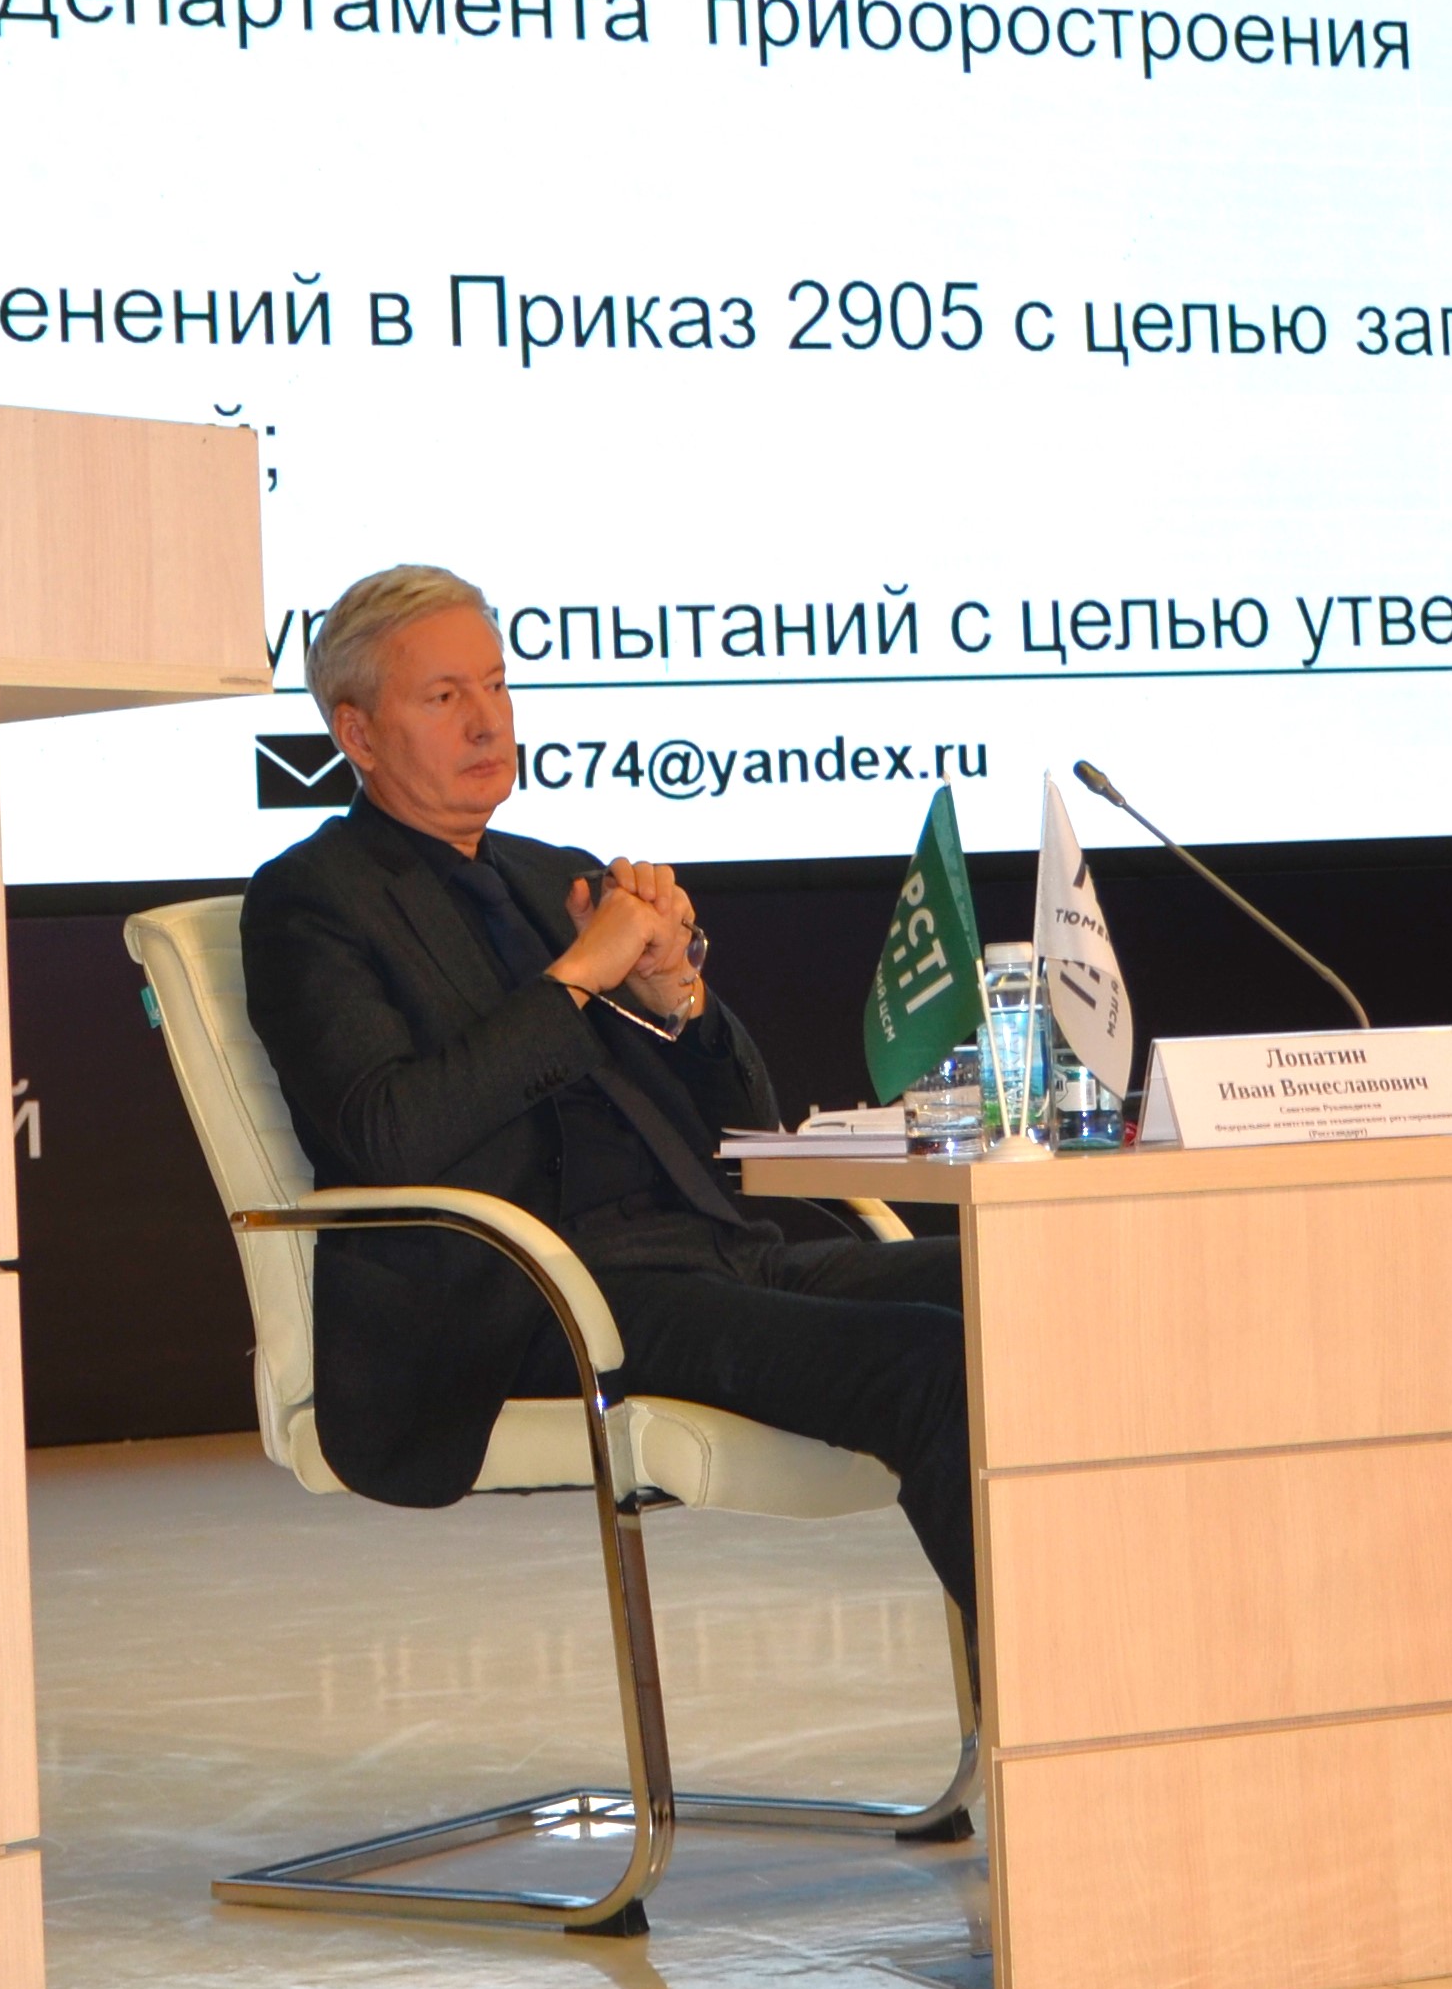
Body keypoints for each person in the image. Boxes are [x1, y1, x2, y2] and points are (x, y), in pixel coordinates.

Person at [241, 564, 972, 1616]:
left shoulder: (556, 877)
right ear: (355, 733)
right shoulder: (312, 901)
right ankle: (1051, 1692)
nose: (488, 720)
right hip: (537, 1299)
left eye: (496, 685)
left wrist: (678, 997)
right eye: (443, 696)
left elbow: (746, 1126)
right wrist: (578, 976)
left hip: (712, 1252)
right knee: (932, 1358)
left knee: (1014, 1288)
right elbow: (389, 1133)